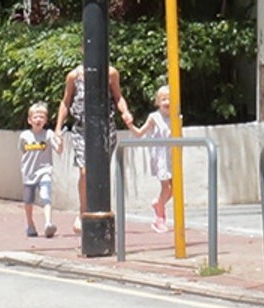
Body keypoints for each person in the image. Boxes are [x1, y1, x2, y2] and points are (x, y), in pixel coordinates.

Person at [57, 61, 134, 233]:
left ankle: (100, 210)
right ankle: (83, 212)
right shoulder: (74, 76)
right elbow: (66, 101)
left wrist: (125, 112)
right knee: (84, 172)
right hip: (82, 128)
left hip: (105, 127)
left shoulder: (111, 73)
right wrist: (57, 130)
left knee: (100, 172)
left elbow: (118, 96)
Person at [128, 85, 175, 233]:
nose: (167, 102)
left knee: (173, 189)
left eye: (169, 99)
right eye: (163, 99)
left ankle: (158, 204)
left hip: (172, 154)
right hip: (160, 154)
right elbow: (140, 133)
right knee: (166, 187)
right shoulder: (154, 117)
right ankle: (159, 218)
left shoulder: (176, 116)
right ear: (158, 102)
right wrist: (130, 124)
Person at [18, 102, 64, 238]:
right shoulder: (24, 136)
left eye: (42, 117)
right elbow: (22, 150)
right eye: (36, 117)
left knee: (46, 196)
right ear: (29, 120)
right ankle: (30, 224)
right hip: (28, 173)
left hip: (44, 172)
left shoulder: (49, 134)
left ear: (46, 120)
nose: (38, 120)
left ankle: (48, 223)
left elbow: (59, 150)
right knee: (28, 202)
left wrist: (60, 141)